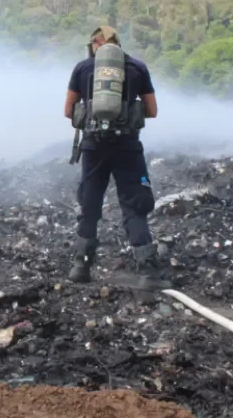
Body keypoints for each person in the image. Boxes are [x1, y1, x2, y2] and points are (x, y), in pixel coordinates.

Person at [63, 25, 170, 290]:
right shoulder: (137, 67)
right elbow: (152, 111)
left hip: (93, 147)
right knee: (134, 206)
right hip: (127, 147)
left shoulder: (83, 68)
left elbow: (68, 111)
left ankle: (81, 267)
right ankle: (148, 274)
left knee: (90, 205)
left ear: (95, 43)